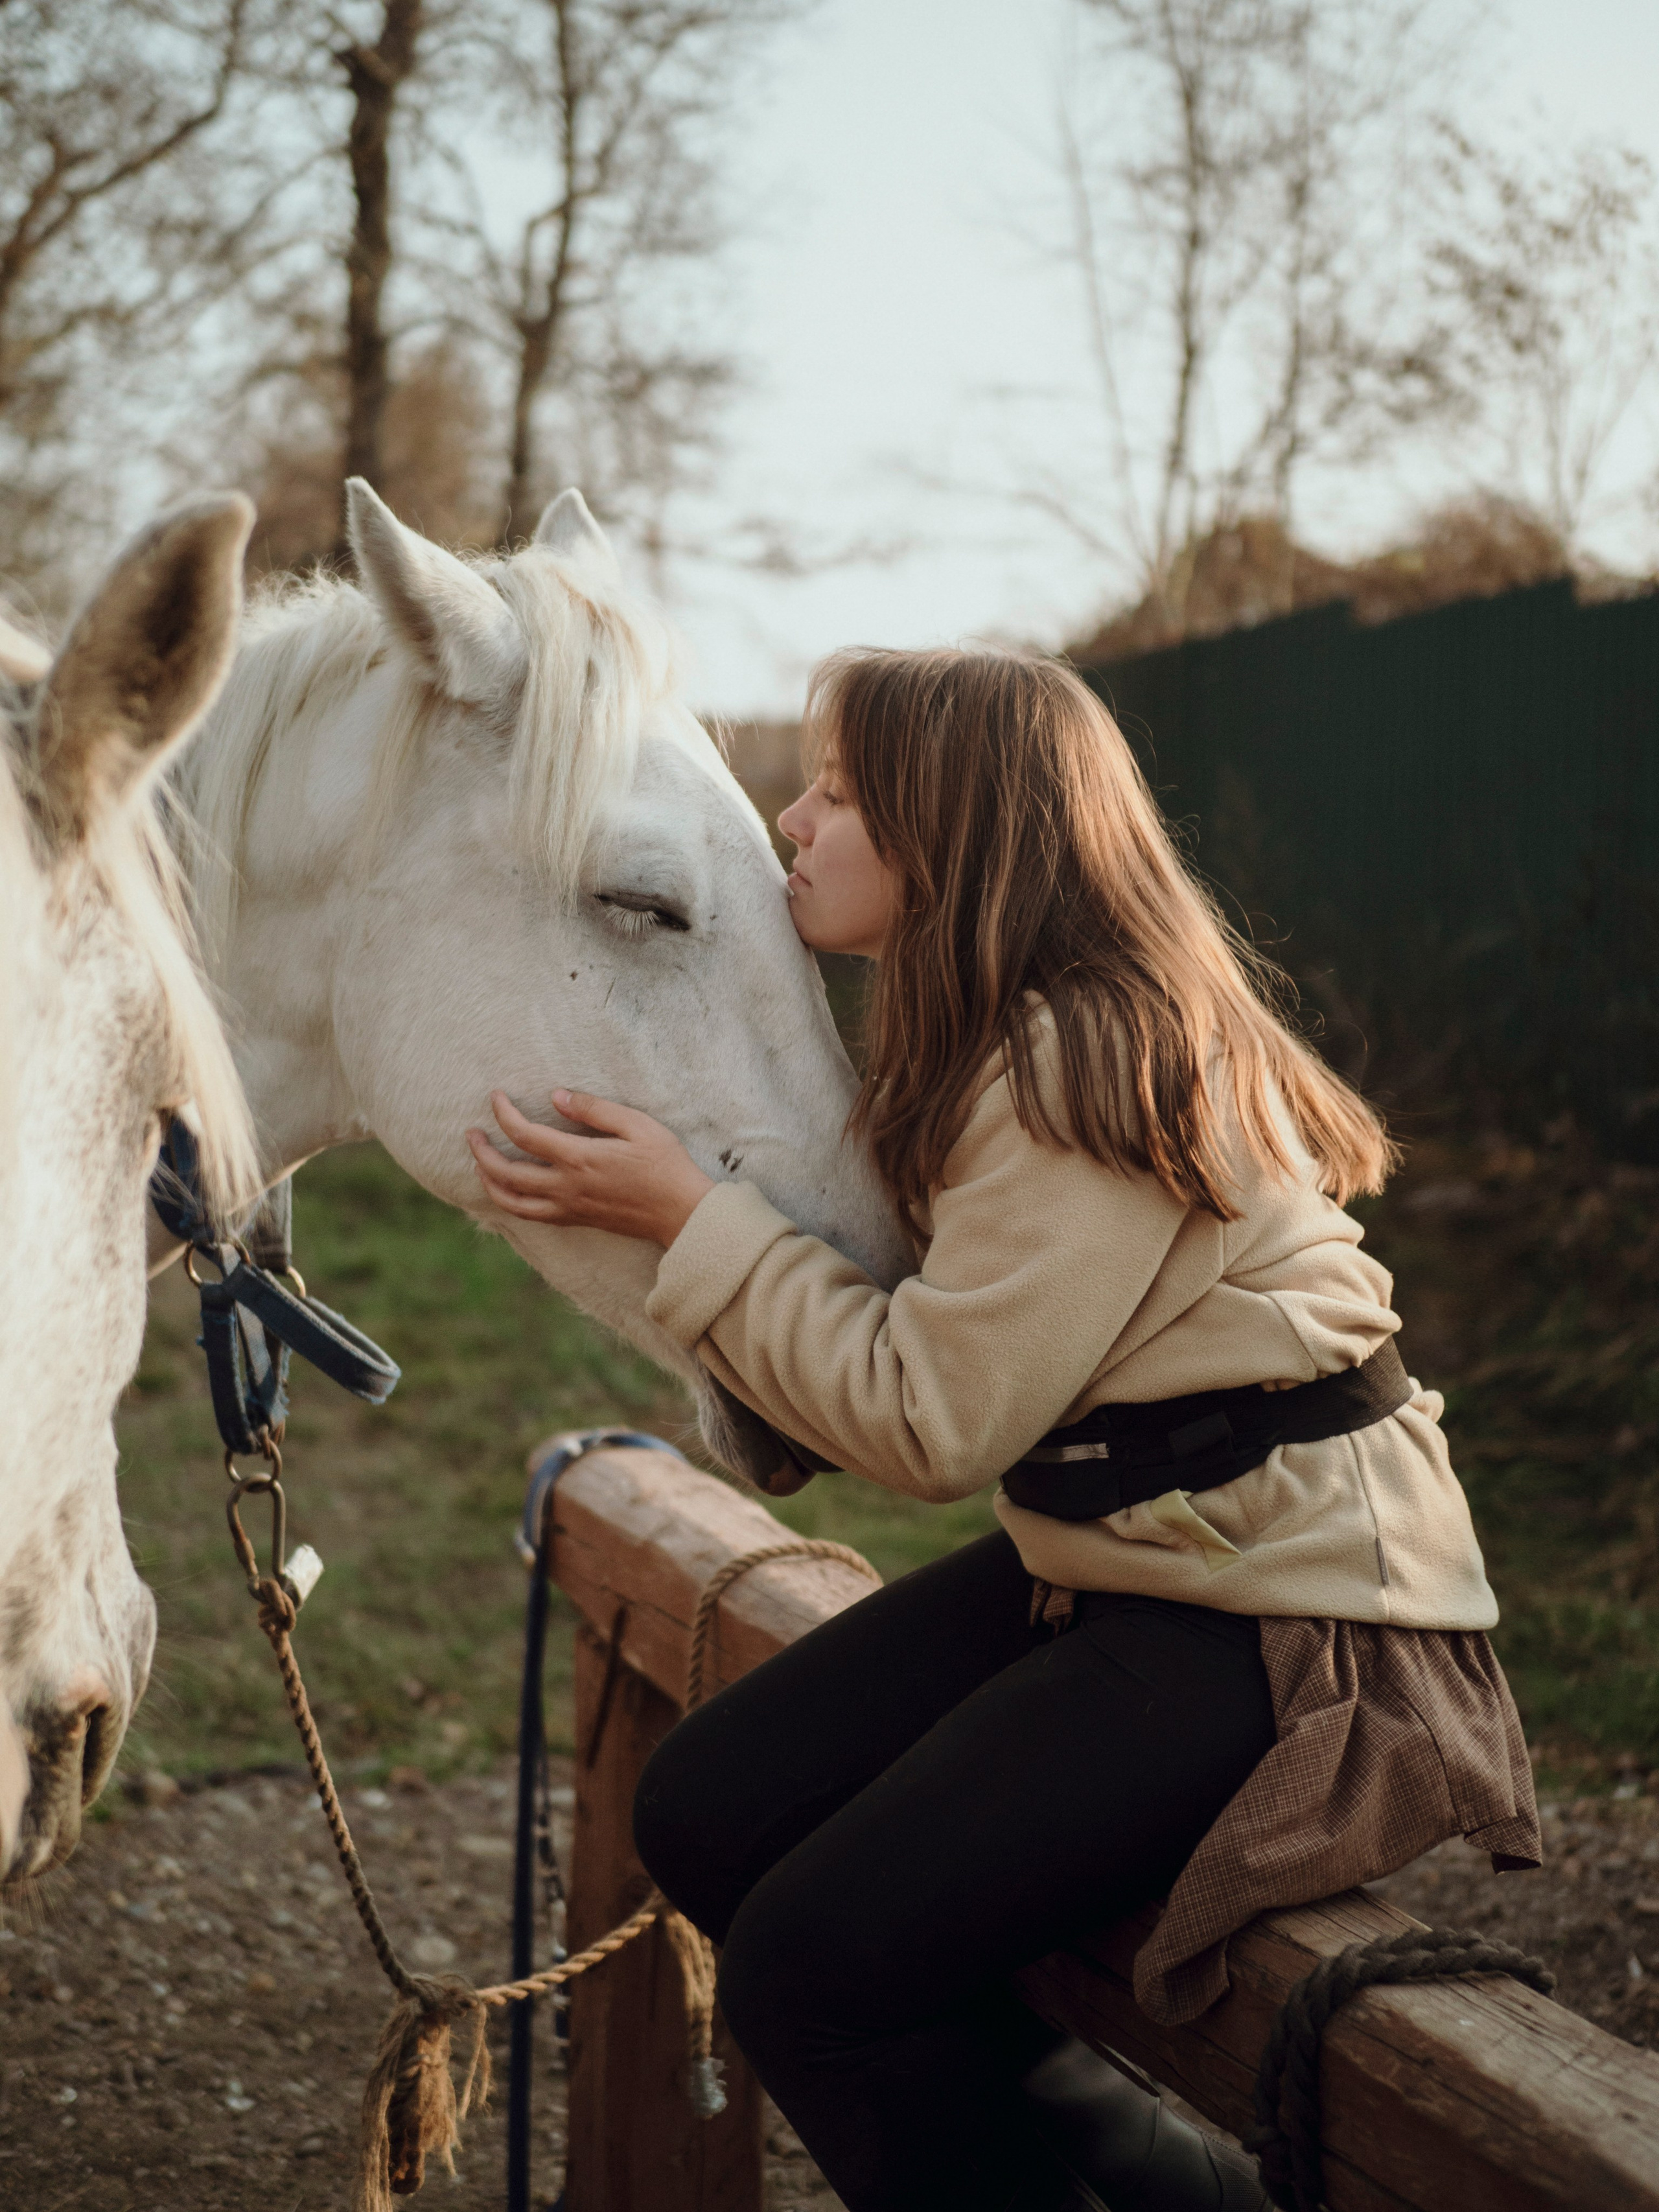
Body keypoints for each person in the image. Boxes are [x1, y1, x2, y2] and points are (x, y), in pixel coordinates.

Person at [467, 649, 1539, 2212]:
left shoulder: (1087, 1055)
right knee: (706, 1811)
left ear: (952, 829)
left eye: (837, 793)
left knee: (810, 1973)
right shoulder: (1001, 1033)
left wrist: (691, 1222)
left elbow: (930, 1417)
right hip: (1127, 1564)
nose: (792, 819)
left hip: (1287, 1618)